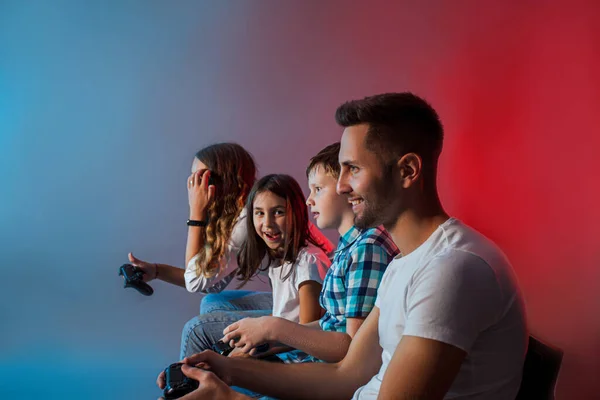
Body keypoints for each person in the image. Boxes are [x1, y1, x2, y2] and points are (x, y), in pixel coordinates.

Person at [158, 92, 528, 400]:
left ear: (408, 171)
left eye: (354, 169)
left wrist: (231, 398)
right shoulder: (404, 263)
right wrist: (227, 369)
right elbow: (347, 375)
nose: (340, 187)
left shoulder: (453, 268)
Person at [220, 143, 399, 364]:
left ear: (346, 188)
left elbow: (354, 351)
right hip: (314, 360)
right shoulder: (349, 246)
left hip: (324, 371)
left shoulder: (367, 248)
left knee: (208, 349)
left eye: (318, 189)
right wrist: (263, 343)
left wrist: (273, 328)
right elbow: (328, 325)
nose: (308, 200)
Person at [181, 174, 332, 359]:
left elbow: (307, 337)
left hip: (293, 360)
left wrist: (248, 351)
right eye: (259, 213)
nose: (267, 223)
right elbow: (199, 279)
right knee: (211, 303)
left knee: (196, 330)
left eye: (278, 212)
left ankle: (193, 381)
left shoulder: (308, 263)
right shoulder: (278, 254)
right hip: (280, 342)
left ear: (298, 212)